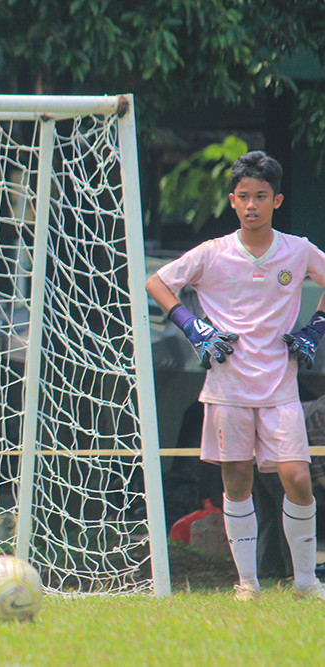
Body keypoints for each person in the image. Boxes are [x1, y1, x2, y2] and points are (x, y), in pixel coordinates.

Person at [145, 150, 325, 601]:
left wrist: (314, 329)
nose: (252, 205)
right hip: (227, 389)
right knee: (237, 481)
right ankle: (247, 584)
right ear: (232, 200)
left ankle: (306, 582)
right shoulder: (213, 253)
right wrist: (193, 327)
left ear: (277, 200)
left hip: (280, 388)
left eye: (261, 196)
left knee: (297, 479)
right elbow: (157, 282)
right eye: (244, 196)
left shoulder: (297, 249)